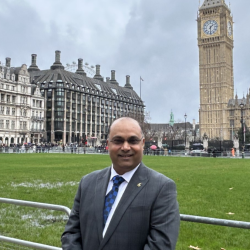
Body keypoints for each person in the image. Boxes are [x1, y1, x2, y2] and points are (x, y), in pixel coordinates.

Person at [61, 117, 180, 250]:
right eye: (118, 141)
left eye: (132, 141)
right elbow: (71, 234)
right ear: (108, 144)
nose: (125, 147)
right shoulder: (87, 183)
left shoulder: (162, 188)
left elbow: (161, 245)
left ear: (142, 143)